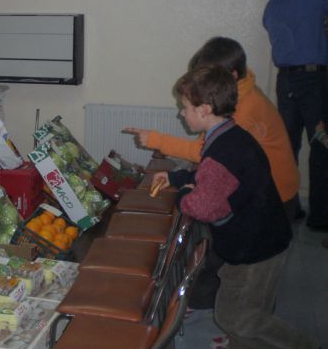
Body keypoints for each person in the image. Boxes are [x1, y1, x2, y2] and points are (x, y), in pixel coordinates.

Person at [152, 64, 321, 349]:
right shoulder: (227, 135)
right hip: (257, 240)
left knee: (236, 317)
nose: (182, 113)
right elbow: (208, 176)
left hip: (256, 248)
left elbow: (202, 206)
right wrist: (179, 178)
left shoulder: (223, 151)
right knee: (246, 314)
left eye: (185, 108)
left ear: (204, 109)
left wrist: (181, 195)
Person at [125, 37, 301, 222]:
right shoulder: (236, 92)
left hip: (273, 194)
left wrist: (156, 140)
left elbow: (202, 152)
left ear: (231, 75)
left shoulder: (242, 110)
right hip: (263, 188)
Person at [263, 0, 328, 230]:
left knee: (287, 146)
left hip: (286, 82)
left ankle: (289, 209)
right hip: (314, 81)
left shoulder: (271, 7)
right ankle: (321, 217)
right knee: (322, 145)